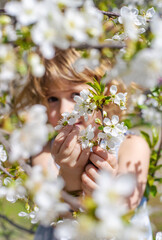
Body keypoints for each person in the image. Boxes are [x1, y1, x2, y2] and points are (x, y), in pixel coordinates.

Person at [15, 48, 151, 239]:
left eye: (75, 95)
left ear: (102, 94)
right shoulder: (45, 153)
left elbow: (125, 210)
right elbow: (57, 216)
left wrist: (104, 190)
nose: (64, 110)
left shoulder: (131, 145)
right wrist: (70, 175)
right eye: (52, 99)